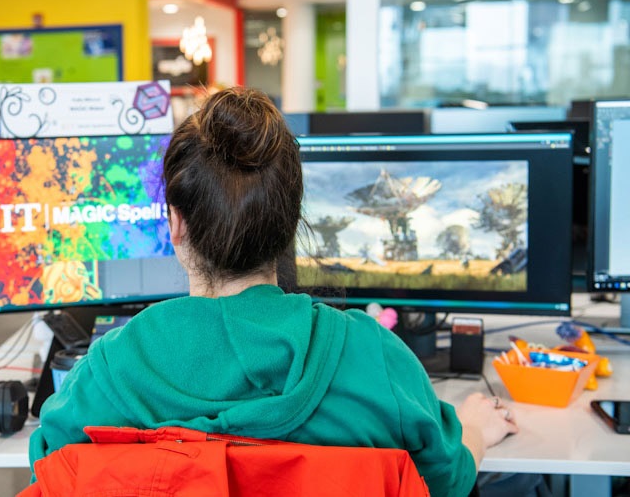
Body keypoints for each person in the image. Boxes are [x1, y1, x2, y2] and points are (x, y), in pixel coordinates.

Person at [28, 87, 519, 496]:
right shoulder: (373, 358)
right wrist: (474, 430)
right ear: (291, 226)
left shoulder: (111, 369)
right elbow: (445, 478)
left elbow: (51, 466)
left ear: (175, 224)